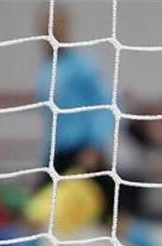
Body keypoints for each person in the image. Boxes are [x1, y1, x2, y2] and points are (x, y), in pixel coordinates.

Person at [35, 4, 116, 225]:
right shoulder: (44, 70)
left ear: (66, 27)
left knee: (114, 221)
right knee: (36, 218)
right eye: (46, 24)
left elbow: (106, 104)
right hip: (55, 155)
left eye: (57, 24)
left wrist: (95, 146)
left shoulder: (83, 65)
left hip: (83, 152)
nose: (51, 29)